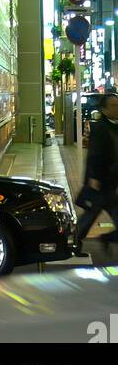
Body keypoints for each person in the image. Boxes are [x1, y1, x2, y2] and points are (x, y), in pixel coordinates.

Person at [77, 91, 118, 248]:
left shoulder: (114, 126)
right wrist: (93, 178)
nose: (117, 108)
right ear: (104, 109)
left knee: (90, 215)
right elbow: (95, 154)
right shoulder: (100, 127)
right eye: (113, 105)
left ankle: (106, 238)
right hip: (100, 182)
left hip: (110, 182)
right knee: (89, 216)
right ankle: (72, 242)